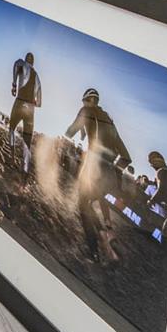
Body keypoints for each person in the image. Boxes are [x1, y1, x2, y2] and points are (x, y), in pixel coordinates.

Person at [65, 88, 133, 261]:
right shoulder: (109, 120)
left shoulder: (86, 110)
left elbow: (71, 131)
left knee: (83, 205)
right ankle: (107, 232)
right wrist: (112, 169)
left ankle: (95, 249)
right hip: (110, 172)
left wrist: (63, 141)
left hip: (93, 164)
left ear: (88, 100)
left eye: (84, 101)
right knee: (90, 202)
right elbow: (126, 157)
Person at [7, 52, 43, 174]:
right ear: (33, 62)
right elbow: (39, 103)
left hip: (19, 103)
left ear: (26, 59)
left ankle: (12, 158)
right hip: (30, 110)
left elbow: (15, 65)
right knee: (27, 141)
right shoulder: (37, 78)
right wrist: (32, 102)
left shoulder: (22, 64)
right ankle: (25, 171)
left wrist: (14, 84)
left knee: (11, 129)